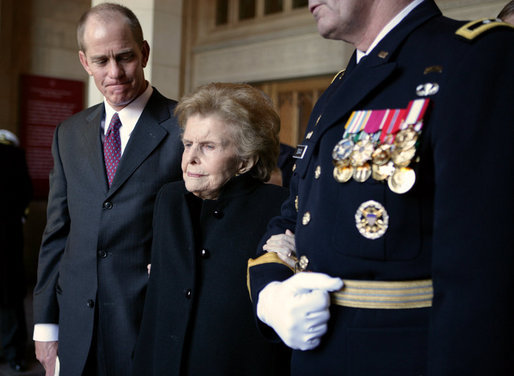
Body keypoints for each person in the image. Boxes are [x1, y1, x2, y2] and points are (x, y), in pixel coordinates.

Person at [247, 0, 514, 375]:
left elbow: (482, 273)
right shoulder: (342, 85)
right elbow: (296, 211)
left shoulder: (473, 56)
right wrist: (270, 292)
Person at [32, 3, 183, 376]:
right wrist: (46, 327)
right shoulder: (68, 134)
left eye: (125, 57)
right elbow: (57, 234)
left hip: (150, 326)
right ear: (84, 62)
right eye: (101, 61)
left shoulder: (186, 128)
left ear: (144, 53)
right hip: (75, 330)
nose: (114, 73)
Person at [132, 83, 291, 376]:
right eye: (187, 144)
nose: (191, 157)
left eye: (208, 146)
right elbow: (156, 309)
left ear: (245, 160)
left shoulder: (279, 209)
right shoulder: (169, 200)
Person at [0, 131, 32, 372]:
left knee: (9, 295)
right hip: (8, 234)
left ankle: (13, 351)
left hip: (6, 236)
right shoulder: (12, 151)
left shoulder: (10, 153)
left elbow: (23, 193)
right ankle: (12, 351)